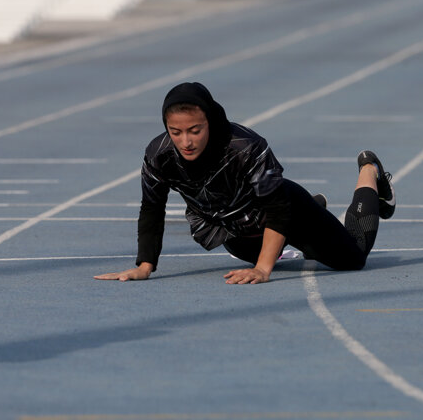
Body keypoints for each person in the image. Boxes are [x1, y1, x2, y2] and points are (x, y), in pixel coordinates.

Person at [95, 82, 396, 285]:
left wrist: (263, 269)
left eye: (195, 130)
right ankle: (313, 214)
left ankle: (369, 170)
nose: (185, 141)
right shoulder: (159, 154)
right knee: (256, 252)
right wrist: (144, 266)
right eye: (175, 132)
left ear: (210, 121)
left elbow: (277, 210)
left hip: (281, 208)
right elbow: (151, 207)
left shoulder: (245, 146)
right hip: (231, 227)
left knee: (351, 259)